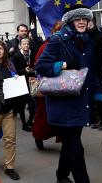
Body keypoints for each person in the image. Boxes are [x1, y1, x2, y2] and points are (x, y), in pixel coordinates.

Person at [36, 6, 102, 183]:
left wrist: (98, 94)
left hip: (82, 102)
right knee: (76, 148)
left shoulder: (87, 40)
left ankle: (61, 175)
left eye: (85, 19)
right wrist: (64, 65)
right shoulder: (58, 40)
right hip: (62, 104)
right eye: (77, 19)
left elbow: (92, 71)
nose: (82, 21)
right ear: (70, 21)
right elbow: (41, 66)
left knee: (70, 144)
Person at [0, 40, 21, 181]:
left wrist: (16, 78)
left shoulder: (9, 65)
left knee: (10, 139)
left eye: (1, 48)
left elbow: (16, 85)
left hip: (9, 109)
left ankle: (10, 167)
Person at [32, 20, 64, 150]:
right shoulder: (46, 45)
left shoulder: (68, 45)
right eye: (60, 31)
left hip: (62, 86)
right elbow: (38, 65)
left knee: (61, 115)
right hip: (46, 86)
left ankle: (65, 139)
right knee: (43, 115)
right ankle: (38, 136)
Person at [11, 38, 36, 132]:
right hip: (21, 83)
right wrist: (24, 71)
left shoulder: (32, 54)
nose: (26, 45)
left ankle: (30, 122)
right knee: (22, 105)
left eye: (28, 44)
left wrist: (33, 70)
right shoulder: (16, 56)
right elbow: (13, 71)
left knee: (33, 104)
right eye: (24, 44)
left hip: (33, 82)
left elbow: (36, 66)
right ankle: (24, 124)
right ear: (20, 46)